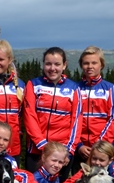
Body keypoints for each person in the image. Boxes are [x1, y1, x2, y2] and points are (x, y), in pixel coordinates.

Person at [23, 47, 82, 175]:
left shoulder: (73, 88)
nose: (52, 68)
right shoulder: (33, 85)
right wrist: (43, 145)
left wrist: (69, 150)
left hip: (62, 153)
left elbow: (76, 121)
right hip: (37, 150)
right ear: (43, 64)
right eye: (48, 64)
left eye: (57, 64)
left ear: (64, 65)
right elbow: (29, 116)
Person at [75, 46, 114, 168]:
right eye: (86, 63)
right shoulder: (75, 88)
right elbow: (71, 120)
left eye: (94, 63)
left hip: (103, 150)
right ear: (81, 65)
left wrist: (99, 145)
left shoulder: (111, 89)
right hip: (80, 150)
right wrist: (79, 145)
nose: (90, 66)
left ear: (102, 65)